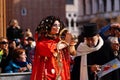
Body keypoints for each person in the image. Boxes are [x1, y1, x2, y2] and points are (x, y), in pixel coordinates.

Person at [30, 16, 76, 80]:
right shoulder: (41, 42)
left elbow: (72, 52)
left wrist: (71, 43)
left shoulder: (59, 40)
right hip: (47, 74)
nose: (58, 28)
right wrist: (66, 43)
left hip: (60, 72)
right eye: (55, 25)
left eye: (59, 25)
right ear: (48, 27)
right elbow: (51, 49)